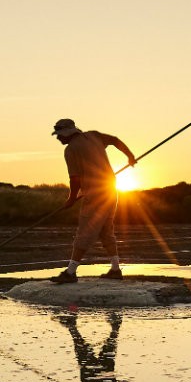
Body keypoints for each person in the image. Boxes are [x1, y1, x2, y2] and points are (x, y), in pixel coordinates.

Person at [49, 117, 137, 283]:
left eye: (59, 134)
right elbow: (115, 141)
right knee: (106, 230)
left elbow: (74, 179)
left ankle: (70, 272)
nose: (58, 138)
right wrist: (130, 156)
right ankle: (115, 269)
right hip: (111, 190)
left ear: (67, 133)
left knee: (85, 231)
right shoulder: (93, 136)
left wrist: (71, 199)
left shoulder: (71, 150)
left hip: (96, 195)